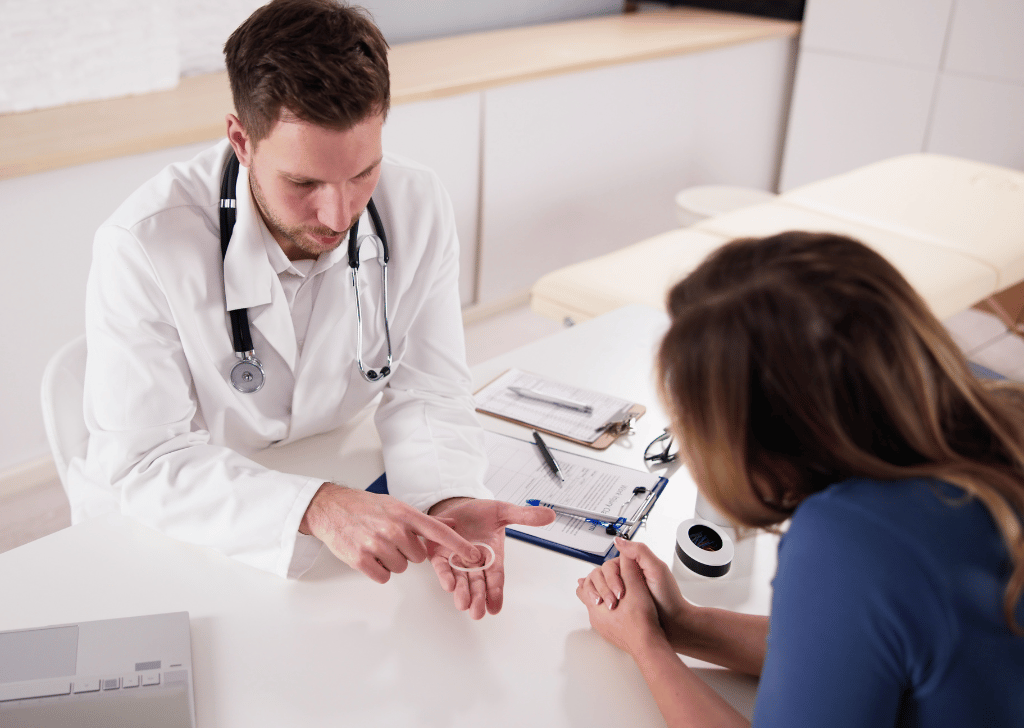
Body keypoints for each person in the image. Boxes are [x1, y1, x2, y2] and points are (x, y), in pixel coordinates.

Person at [67, 0, 553, 619]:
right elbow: (146, 460)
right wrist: (314, 505)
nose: (339, 214)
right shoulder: (143, 243)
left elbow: (427, 387)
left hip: (325, 482)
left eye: (364, 172)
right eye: (303, 184)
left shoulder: (418, 203)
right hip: (176, 529)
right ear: (242, 141)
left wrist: (446, 499)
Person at [576, 231, 1024, 725]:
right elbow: (849, 647)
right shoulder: (999, 416)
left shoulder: (850, 536)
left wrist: (647, 648)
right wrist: (684, 625)